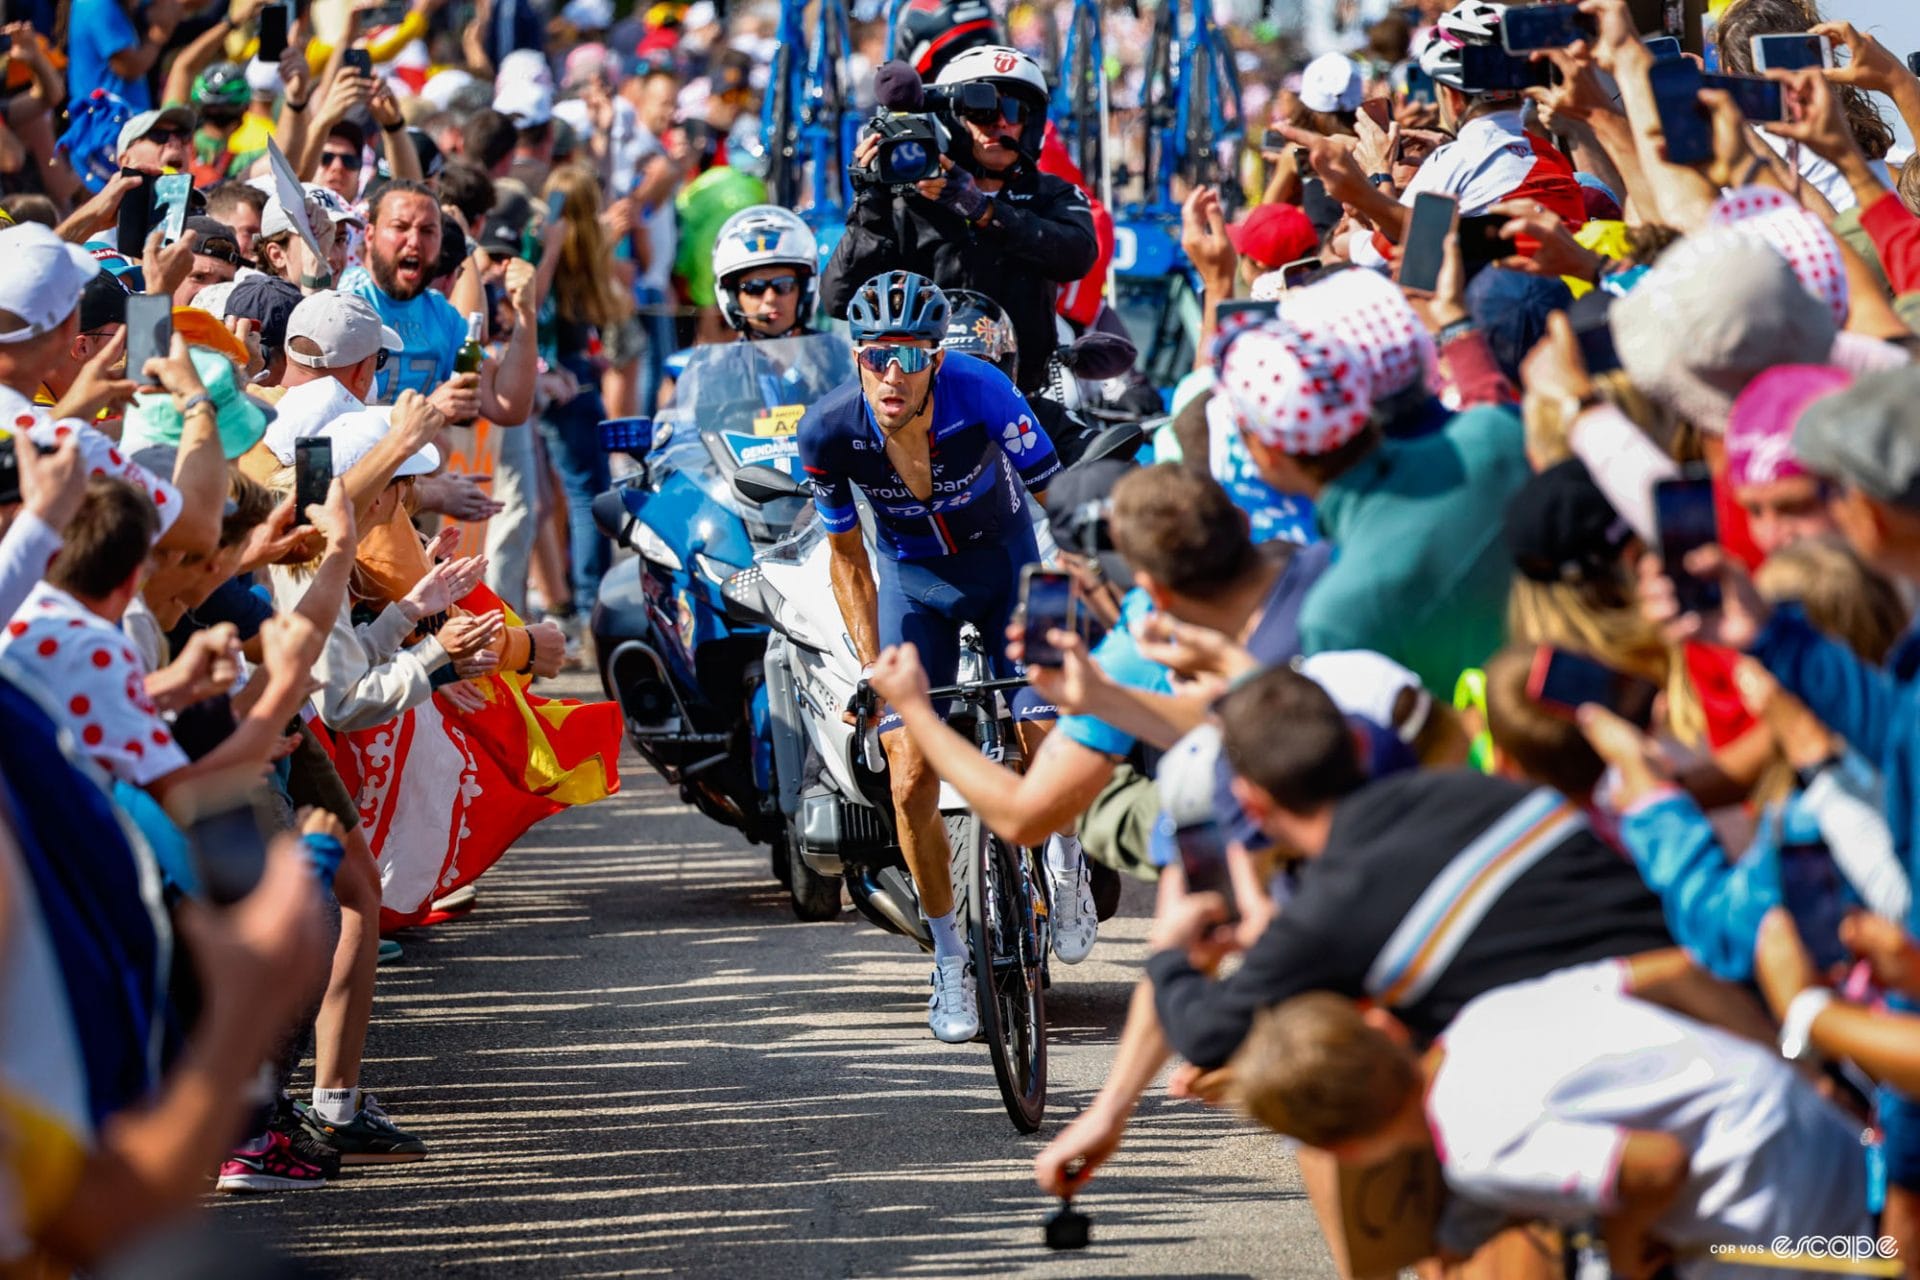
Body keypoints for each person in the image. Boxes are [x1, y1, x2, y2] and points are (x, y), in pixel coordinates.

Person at [798, 271, 1062, 1041]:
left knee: (1049, 727)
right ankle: (949, 955)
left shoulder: (982, 392)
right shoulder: (828, 432)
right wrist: (873, 664)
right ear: (856, 357)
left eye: (910, 358)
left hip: (1013, 567)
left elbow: (1059, 503)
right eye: (877, 356)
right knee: (909, 767)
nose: (891, 374)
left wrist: (1088, 598)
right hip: (917, 590)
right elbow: (847, 560)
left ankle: (1070, 857)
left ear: (936, 363)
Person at [1229, 972, 1872, 1276]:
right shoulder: (1484, 1013)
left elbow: (1656, 1165)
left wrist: (1623, 1258)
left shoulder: (1472, 1144)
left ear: (1345, 1148)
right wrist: (1803, 1074)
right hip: (1804, 1121)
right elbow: (1676, 972)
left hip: (1777, 1208)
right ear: (1381, 1026)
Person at [823, 47, 1098, 396]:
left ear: (1031, 123)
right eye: (982, 111)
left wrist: (981, 209)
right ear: (954, 121)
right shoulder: (907, 203)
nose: (999, 122)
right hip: (922, 400)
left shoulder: (1052, 193)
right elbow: (839, 299)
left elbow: (1077, 255)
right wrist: (870, 202)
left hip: (1026, 398)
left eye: (1014, 110)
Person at [712, 204, 818, 341]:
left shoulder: (838, 355)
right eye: (754, 288)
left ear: (804, 291)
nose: (770, 298)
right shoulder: (721, 363)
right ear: (733, 299)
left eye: (784, 285)